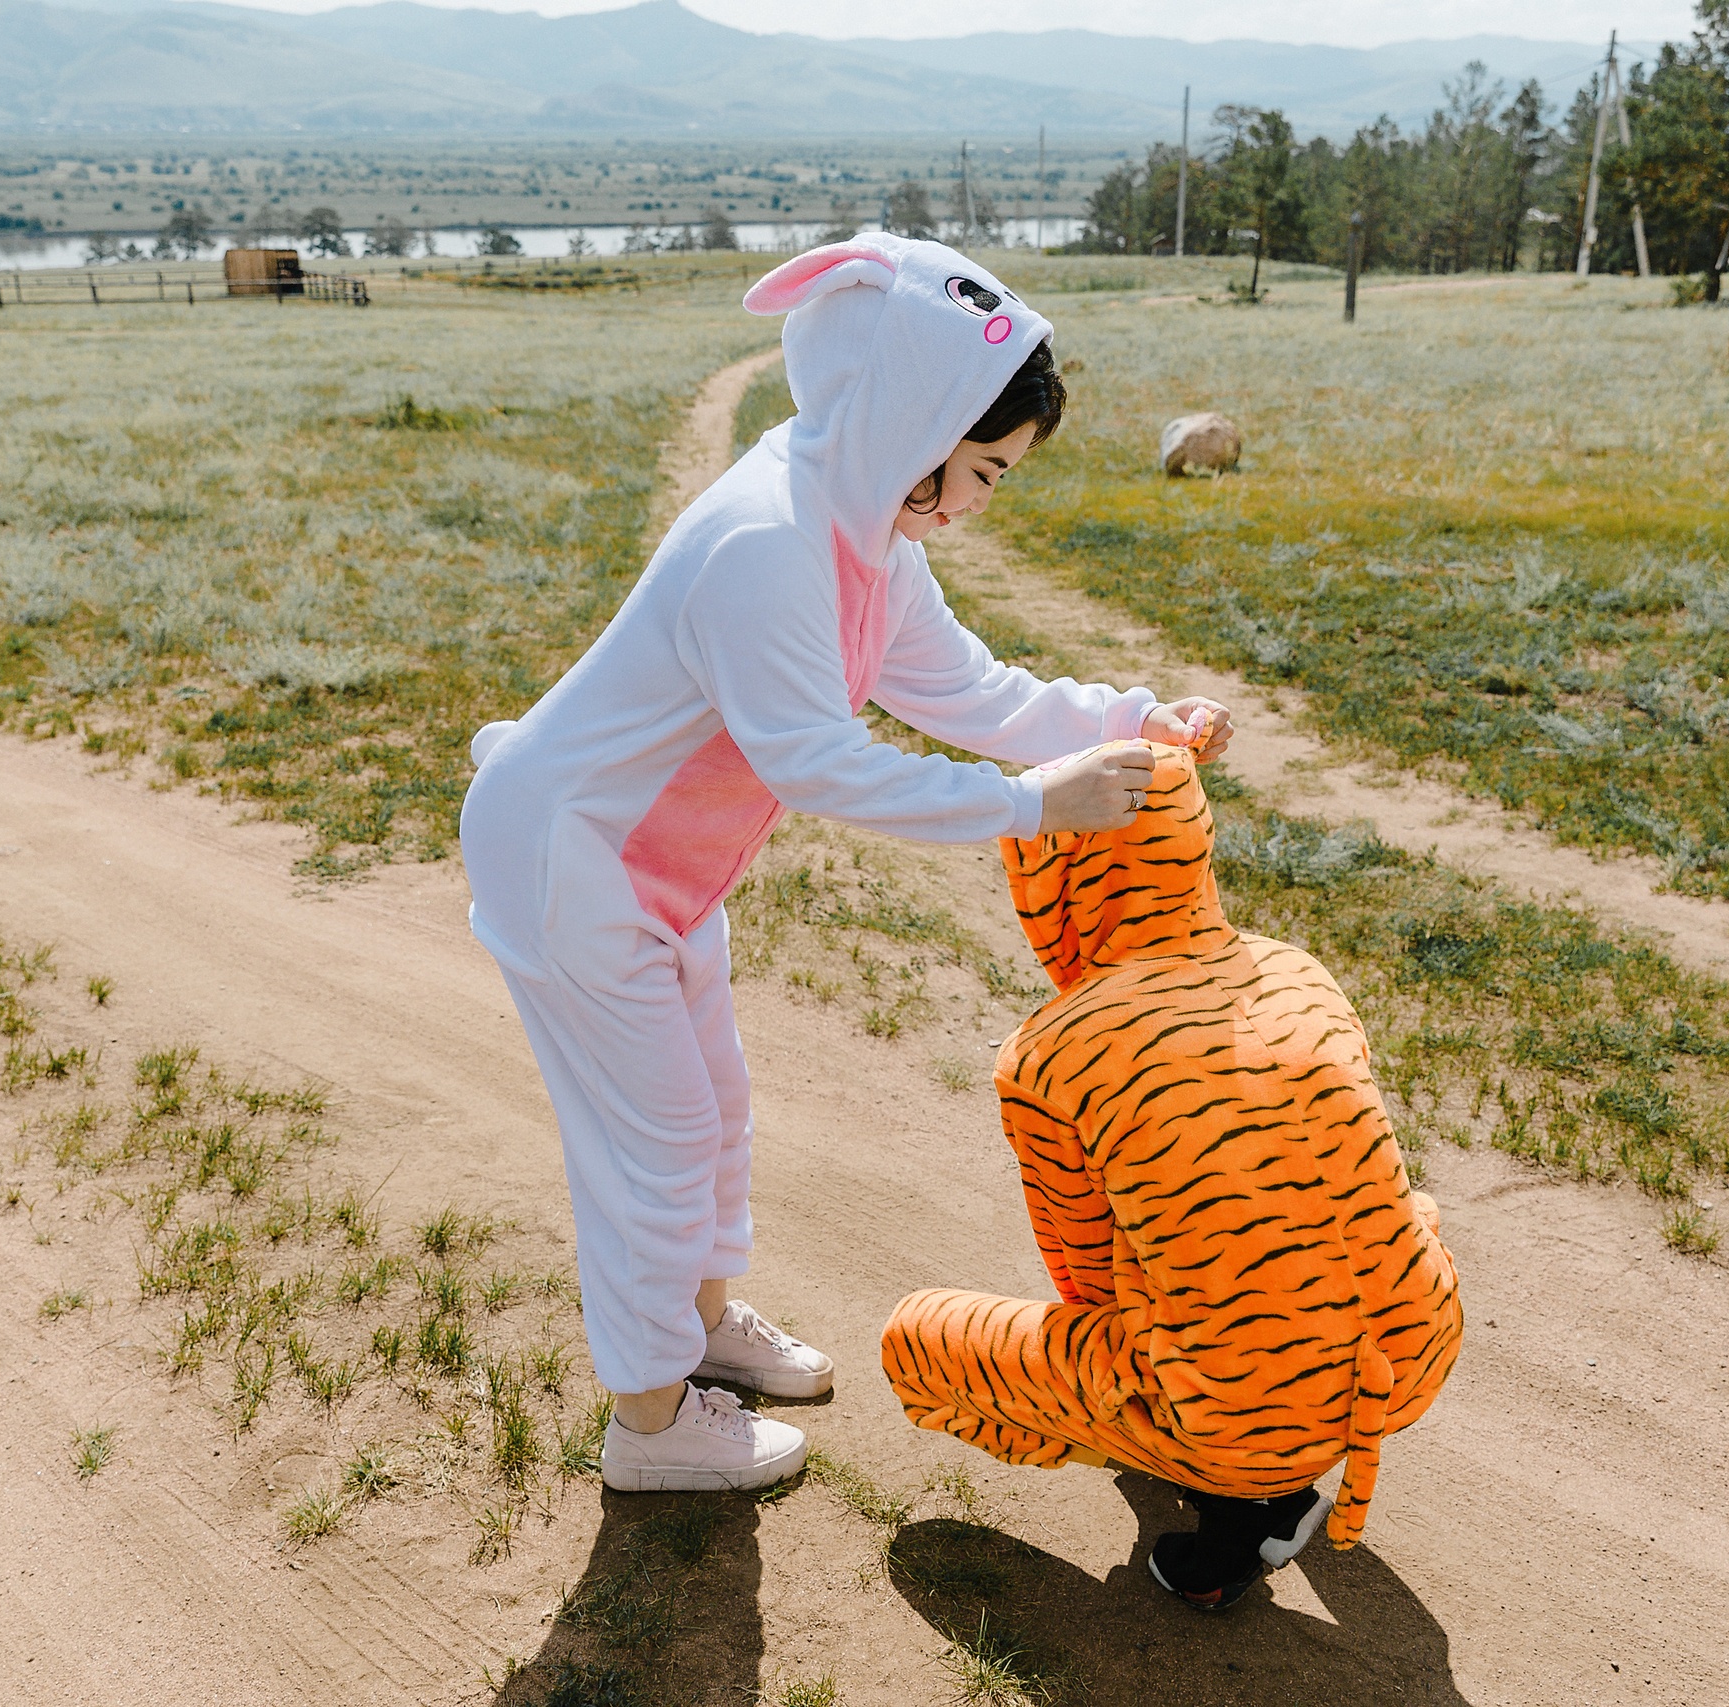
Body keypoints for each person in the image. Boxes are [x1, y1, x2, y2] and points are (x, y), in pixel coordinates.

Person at [459, 233, 1235, 1492]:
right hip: (571, 863)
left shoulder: (866, 536)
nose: (979, 502)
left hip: (654, 869)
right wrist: (1030, 806)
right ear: (911, 419)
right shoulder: (765, 541)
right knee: (653, 1144)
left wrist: (1129, 719)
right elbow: (817, 763)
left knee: (712, 1111)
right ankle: (650, 1426)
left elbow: (972, 691)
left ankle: (698, 1329)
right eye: (982, 468)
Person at [881, 740, 1462, 1609]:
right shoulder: (1300, 973)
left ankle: (1241, 1498)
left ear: (1053, 876)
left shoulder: (1053, 1051)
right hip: (1410, 1349)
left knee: (915, 1342)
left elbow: (1083, 1275)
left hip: (1242, 1411)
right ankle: (1276, 1452)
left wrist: (1180, 1394)